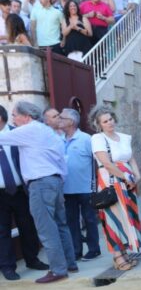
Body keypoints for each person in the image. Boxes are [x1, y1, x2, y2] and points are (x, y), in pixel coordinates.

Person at [0, 101, 77, 284]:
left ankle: (58, 270)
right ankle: (70, 263)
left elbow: (2, 138)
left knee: (46, 229)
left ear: (26, 116)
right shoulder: (46, 131)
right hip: (55, 181)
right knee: (61, 225)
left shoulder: (29, 130)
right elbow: (61, 160)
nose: (13, 119)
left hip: (40, 184)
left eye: (15, 115)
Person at [90, 105, 141, 272]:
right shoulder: (98, 138)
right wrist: (126, 177)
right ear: (99, 124)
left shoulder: (124, 137)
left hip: (128, 183)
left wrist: (137, 176)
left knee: (127, 216)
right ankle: (117, 255)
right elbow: (106, 163)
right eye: (105, 121)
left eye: (110, 119)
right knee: (113, 218)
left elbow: (131, 159)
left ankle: (125, 252)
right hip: (111, 182)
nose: (109, 123)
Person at [0, 104, 48, 281]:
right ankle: (7, 267)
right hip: (0, 194)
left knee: (28, 226)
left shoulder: (19, 133)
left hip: (21, 190)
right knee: (2, 231)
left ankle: (32, 259)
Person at [60, 108, 101, 262]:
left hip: (85, 188)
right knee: (71, 221)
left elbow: (98, 160)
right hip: (66, 189)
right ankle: (76, 251)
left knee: (89, 219)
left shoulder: (86, 139)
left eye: (62, 118)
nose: (59, 120)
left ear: (71, 122)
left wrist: (97, 183)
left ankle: (94, 249)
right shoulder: (59, 139)